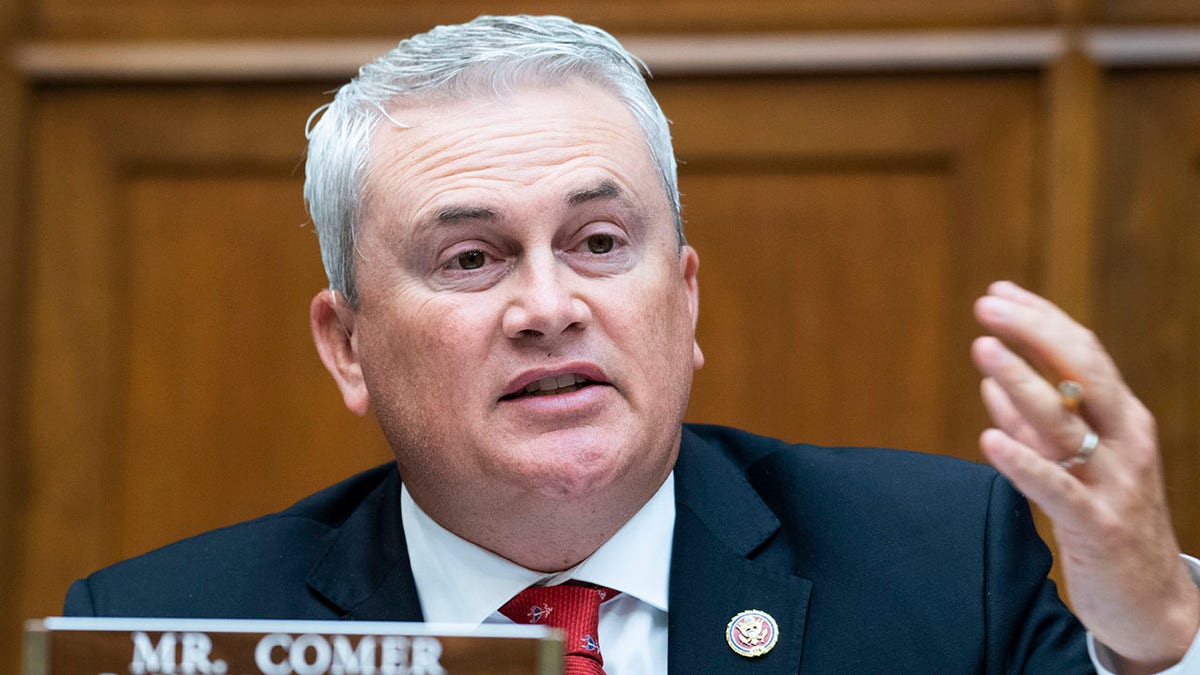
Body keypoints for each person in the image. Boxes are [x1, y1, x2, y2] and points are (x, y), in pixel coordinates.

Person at [64, 14, 1200, 674]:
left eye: (600, 242)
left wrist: (1155, 641)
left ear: (685, 299)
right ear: (348, 346)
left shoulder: (943, 564)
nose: (548, 305)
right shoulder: (179, 635)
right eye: (471, 258)